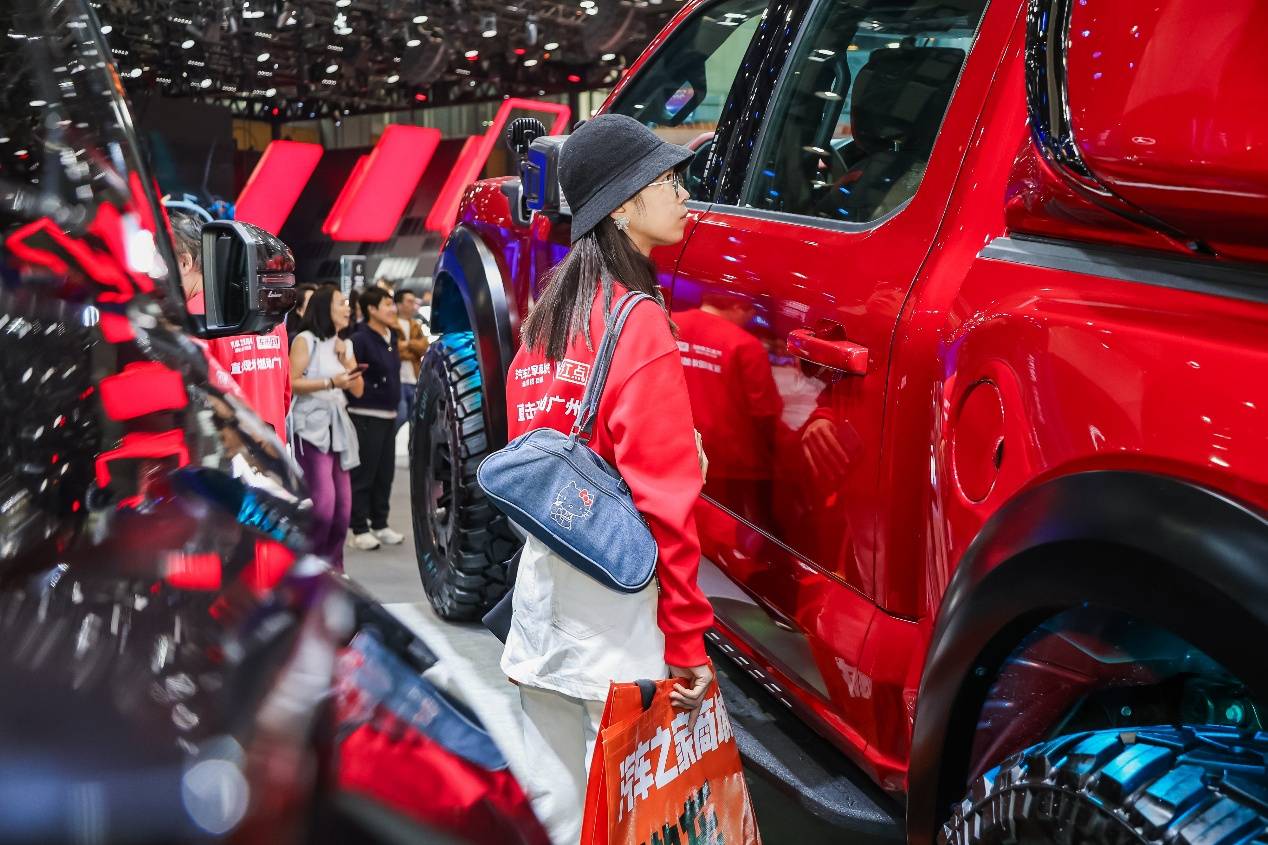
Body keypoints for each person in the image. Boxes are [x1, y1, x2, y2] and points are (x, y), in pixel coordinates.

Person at [499, 114, 714, 845]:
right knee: (628, 823)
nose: (683, 195)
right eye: (668, 180)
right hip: (617, 625)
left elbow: (529, 455)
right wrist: (687, 639)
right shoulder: (640, 323)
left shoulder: (546, 322)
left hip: (540, 603)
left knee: (556, 816)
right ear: (623, 206)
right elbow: (666, 505)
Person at [171, 213, 291, 439]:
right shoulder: (268, 312)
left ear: (185, 262)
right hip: (272, 453)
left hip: (225, 459)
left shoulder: (190, 321)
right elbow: (284, 397)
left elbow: (191, 408)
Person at [288, 286, 363, 570]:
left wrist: (346, 360)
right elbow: (292, 382)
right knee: (323, 505)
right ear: (324, 308)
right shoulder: (305, 341)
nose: (347, 308)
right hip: (310, 428)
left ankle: (334, 567)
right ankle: (310, 565)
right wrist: (330, 383)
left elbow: (357, 389)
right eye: (341, 303)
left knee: (343, 509)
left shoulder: (345, 345)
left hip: (338, 428)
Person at [345, 286, 403, 551]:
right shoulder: (360, 339)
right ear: (371, 309)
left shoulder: (390, 335)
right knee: (364, 474)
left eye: (392, 304)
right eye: (387, 304)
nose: (393, 309)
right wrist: (370, 392)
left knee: (385, 474)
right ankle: (359, 528)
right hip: (365, 415)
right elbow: (353, 375)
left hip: (389, 414)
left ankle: (380, 523)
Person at [394, 288, 429, 434]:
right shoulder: (391, 324)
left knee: (414, 421)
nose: (412, 304)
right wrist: (412, 349)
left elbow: (424, 347)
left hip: (414, 378)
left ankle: (413, 455)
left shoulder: (415, 325)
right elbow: (395, 350)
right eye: (409, 301)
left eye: (414, 301)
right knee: (400, 416)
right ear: (399, 304)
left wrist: (407, 345)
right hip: (397, 379)